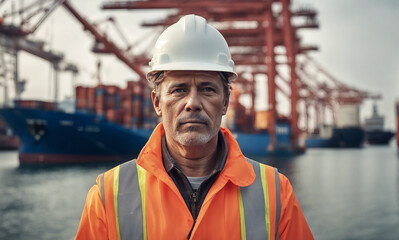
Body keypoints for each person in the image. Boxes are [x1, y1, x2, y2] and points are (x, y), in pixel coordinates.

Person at [75, 14, 313, 240]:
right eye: (179, 89)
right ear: (157, 102)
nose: (193, 103)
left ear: (226, 103)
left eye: (207, 89)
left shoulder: (276, 193)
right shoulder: (106, 197)